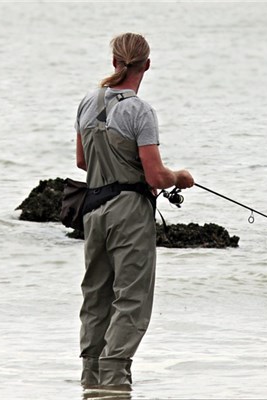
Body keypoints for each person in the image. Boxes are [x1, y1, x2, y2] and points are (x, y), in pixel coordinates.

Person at [74, 32, 194, 390]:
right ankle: (113, 378)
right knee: (131, 298)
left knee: (96, 296)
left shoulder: (86, 102)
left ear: (114, 62)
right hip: (129, 212)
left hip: (92, 210)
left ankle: (90, 378)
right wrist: (181, 177)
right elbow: (156, 175)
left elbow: (82, 162)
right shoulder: (139, 110)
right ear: (147, 65)